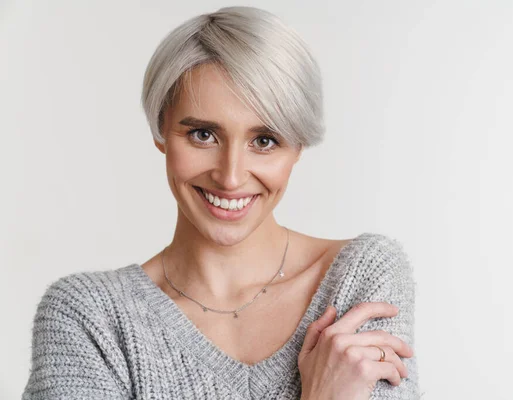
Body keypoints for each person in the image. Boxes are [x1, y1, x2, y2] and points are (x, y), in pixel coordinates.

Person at [22, 6, 420, 400]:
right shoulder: (89, 318)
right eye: (202, 135)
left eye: (264, 141)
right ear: (161, 129)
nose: (231, 176)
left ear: (297, 146)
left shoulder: (361, 276)